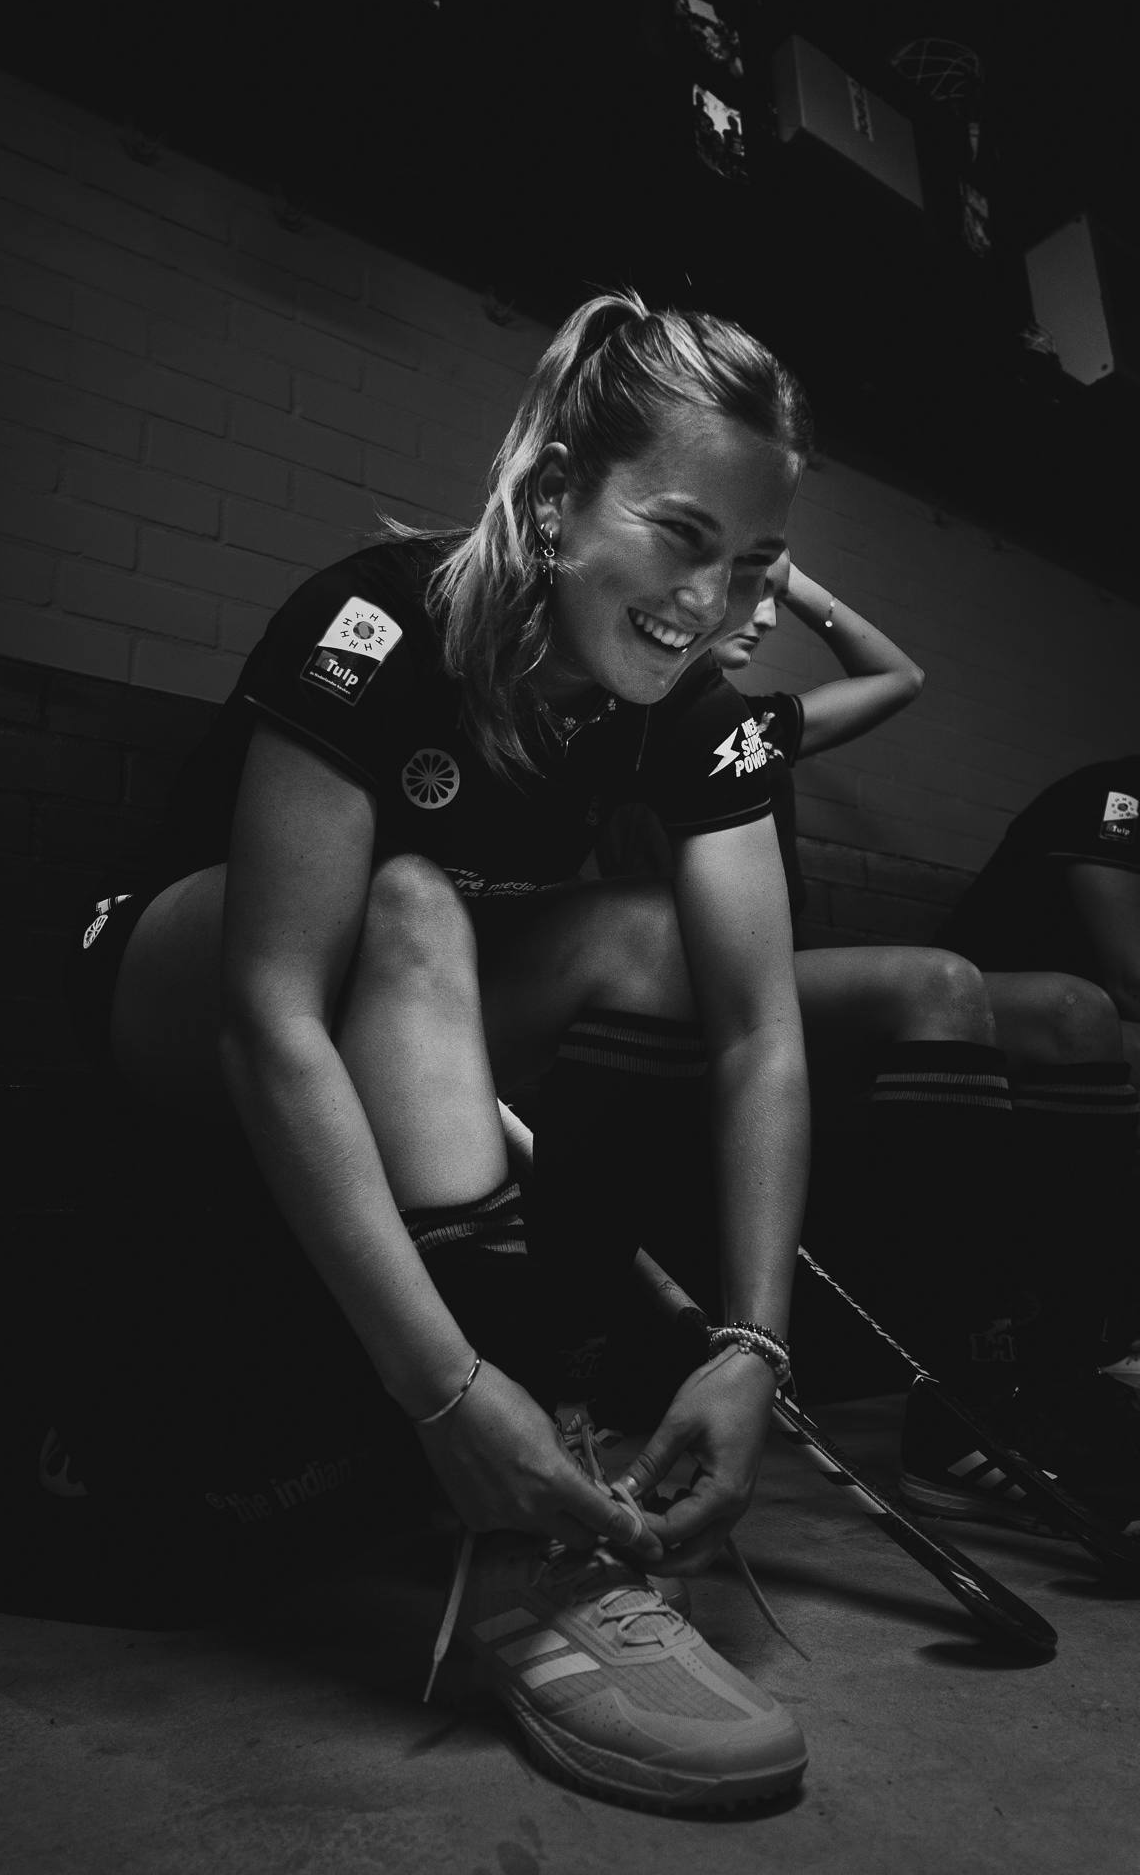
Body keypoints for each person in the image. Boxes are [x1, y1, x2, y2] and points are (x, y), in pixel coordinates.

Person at [60, 293, 814, 1812]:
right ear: (555, 499)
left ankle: (583, 1355)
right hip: (175, 991)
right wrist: (448, 1393)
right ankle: (521, 1544)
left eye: (747, 565)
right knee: (408, 901)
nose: (706, 600)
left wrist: (752, 1344)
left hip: (415, 995)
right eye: (679, 535)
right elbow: (272, 1017)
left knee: (658, 942)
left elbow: (760, 1034)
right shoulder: (380, 619)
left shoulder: (693, 709)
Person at [590, 557, 1139, 1533]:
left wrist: (796, 582)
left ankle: (1062, 1367)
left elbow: (898, 679)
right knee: (937, 982)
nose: (763, 614)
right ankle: (963, 1405)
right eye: (744, 583)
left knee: (1074, 1012)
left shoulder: (750, 726)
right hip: (672, 987)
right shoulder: (619, 698)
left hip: (775, 985)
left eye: (770, 589)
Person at [935, 756, 1140, 1094]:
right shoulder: (1120, 794)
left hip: (1069, 1007)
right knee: (1098, 1025)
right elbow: (1131, 983)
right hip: (965, 999)